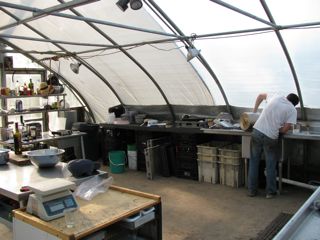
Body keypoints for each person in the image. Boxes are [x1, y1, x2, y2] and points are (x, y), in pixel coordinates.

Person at [248, 93, 300, 199]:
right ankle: (270, 192)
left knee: (254, 162)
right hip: (270, 137)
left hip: (257, 131)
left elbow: (260, 95)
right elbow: (285, 129)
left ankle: (252, 191)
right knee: (270, 165)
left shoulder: (276, 96)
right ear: (294, 104)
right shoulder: (292, 110)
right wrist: (276, 128)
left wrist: (254, 112)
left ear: (286, 97)